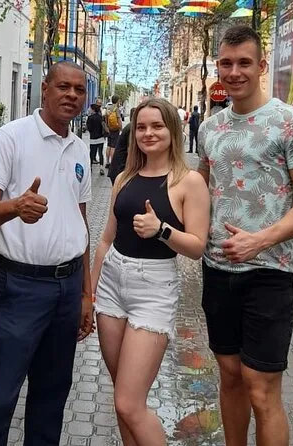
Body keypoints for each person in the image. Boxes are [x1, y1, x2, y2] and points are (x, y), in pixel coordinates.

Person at [196, 25, 293, 446]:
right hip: (217, 270)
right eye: (226, 63)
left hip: (271, 271)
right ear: (218, 67)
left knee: (261, 387)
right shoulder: (209, 128)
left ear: (261, 66)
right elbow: (203, 188)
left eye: (244, 63)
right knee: (230, 376)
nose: (234, 72)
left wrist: (261, 239)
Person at [0, 61, 94, 446]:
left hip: (68, 287)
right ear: (45, 89)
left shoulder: (79, 148)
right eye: (63, 87)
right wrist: (15, 207)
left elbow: (81, 223)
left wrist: (86, 294)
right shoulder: (12, 137)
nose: (71, 95)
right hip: (20, 287)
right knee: (2, 394)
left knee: (52, 396)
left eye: (79, 90)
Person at [92, 98, 210, 446]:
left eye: (157, 126)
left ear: (173, 130)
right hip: (111, 283)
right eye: (141, 127)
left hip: (154, 288)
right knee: (122, 396)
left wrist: (161, 230)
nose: (148, 133)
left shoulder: (189, 182)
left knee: (129, 403)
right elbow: (105, 239)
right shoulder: (124, 177)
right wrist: (89, 292)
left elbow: (197, 247)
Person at [108, 108, 136, 185]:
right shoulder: (132, 128)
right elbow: (131, 151)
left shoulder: (130, 126)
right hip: (121, 170)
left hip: (118, 169)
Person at [86, 103, 106, 176]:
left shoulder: (90, 118)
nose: (90, 110)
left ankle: (90, 167)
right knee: (100, 153)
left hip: (93, 139)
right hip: (101, 138)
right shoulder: (101, 117)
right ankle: (101, 168)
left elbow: (89, 128)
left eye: (90, 108)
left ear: (93, 109)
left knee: (92, 153)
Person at [105, 95, 122, 169]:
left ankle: (107, 161)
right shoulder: (116, 109)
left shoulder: (108, 108)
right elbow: (119, 120)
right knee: (113, 146)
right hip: (115, 129)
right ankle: (112, 163)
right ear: (117, 101)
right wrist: (121, 128)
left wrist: (107, 127)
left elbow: (105, 118)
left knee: (108, 145)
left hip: (109, 129)